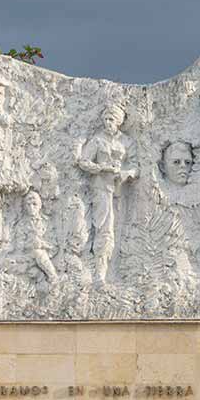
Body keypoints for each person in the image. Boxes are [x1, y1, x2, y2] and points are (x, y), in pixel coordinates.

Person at [76, 102, 138, 285]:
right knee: (104, 228)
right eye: (105, 119)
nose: (108, 123)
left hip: (120, 189)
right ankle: (99, 274)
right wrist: (102, 168)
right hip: (101, 188)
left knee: (119, 230)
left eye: (111, 119)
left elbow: (136, 165)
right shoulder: (97, 140)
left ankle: (116, 271)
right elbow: (83, 161)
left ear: (118, 121)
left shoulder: (127, 141)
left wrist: (128, 173)